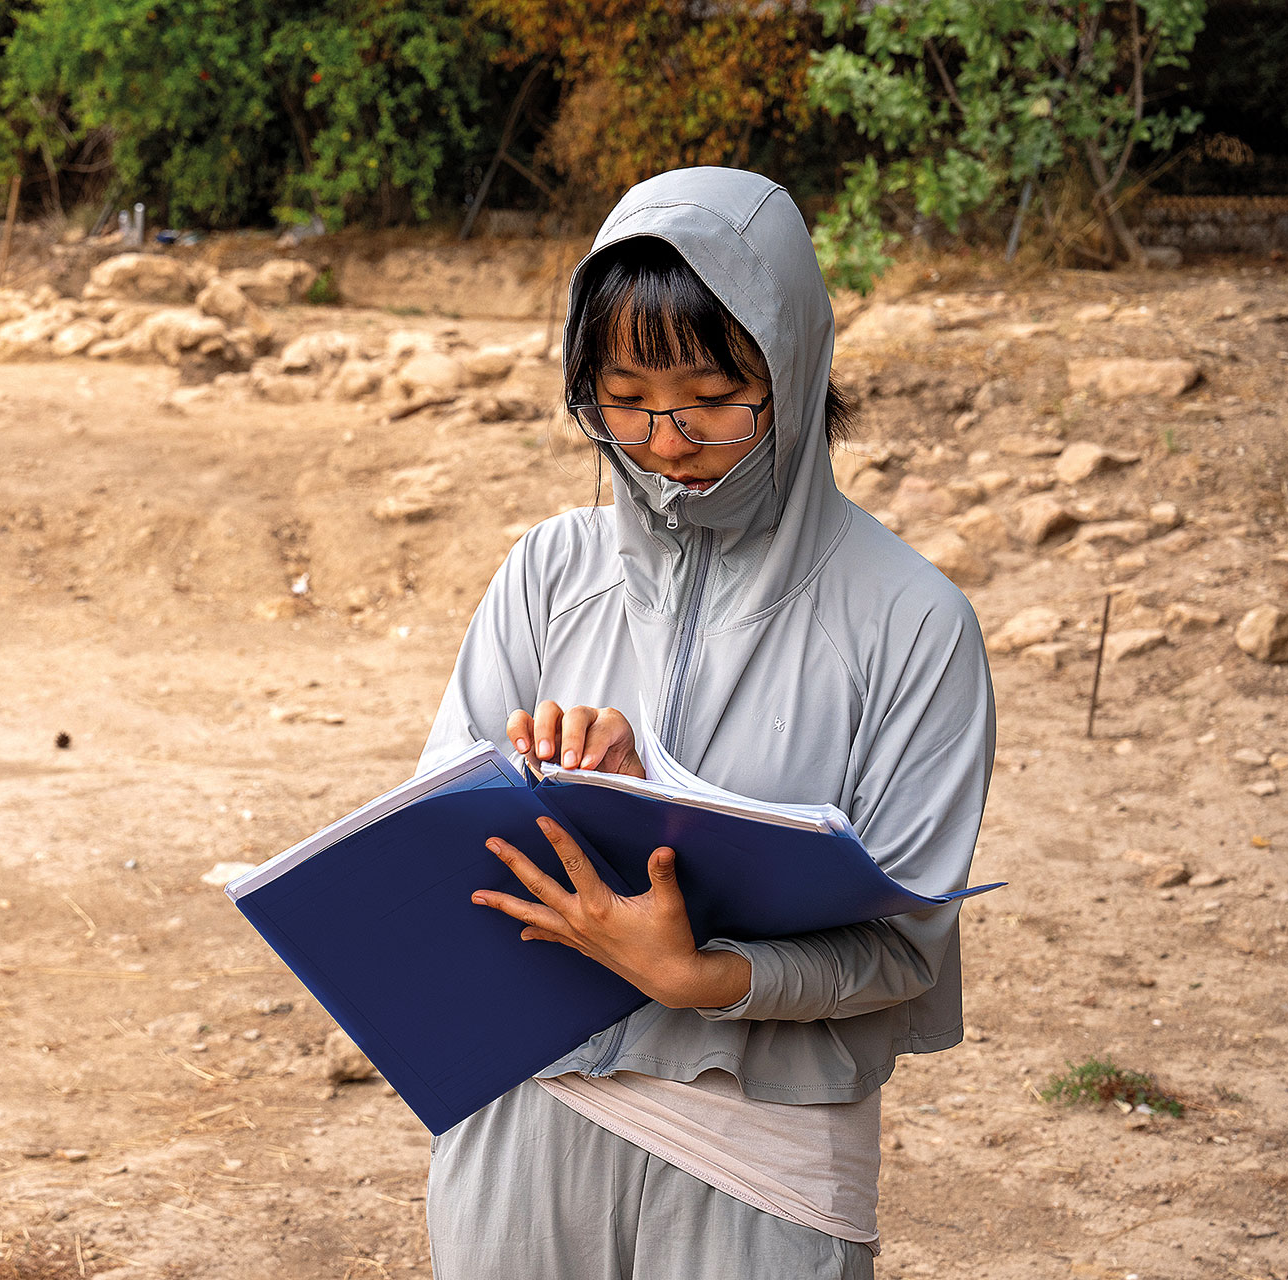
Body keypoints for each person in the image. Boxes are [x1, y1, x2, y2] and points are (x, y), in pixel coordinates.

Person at [418, 167, 995, 1279]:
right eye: (623, 399)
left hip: (761, 1142)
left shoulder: (913, 622)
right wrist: (572, 796)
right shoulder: (548, 572)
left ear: (794, 370)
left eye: (709, 398)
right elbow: (440, 842)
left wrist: (707, 975)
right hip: (527, 1104)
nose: (664, 441)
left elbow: (900, 946)